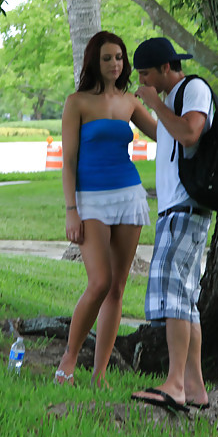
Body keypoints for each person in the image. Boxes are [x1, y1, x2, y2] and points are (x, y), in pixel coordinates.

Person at [55, 30, 157, 388]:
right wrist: (71, 209)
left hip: (128, 195)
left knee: (117, 288)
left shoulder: (130, 101)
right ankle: (69, 358)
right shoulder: (77, 102)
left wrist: (159, 99)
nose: (115, 64)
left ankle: (99, 375)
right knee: (98, 282)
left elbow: (163, 134)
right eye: (107, 58)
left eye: (119, 57)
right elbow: (68, 161)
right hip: (91, 199)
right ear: (94, 63)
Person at [129, 37, 213, 412]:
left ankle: (175, 384)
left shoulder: (192, 89)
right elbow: (163, 131)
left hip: (185, 210)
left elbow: (191, 133)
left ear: (166, 67)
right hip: (177, 212)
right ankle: (195, 387)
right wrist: (138, 108)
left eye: (146, 74)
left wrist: (153, 101)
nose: (143, 82)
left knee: (175, 300)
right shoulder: (171, 102)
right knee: (187, 302)